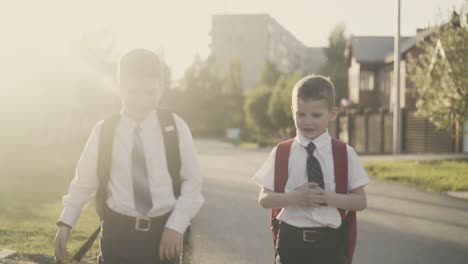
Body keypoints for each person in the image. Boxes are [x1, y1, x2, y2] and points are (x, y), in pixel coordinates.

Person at [54, 48, 204, 264]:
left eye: (150, 92)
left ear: (161, 88)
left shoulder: (174, 127)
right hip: (117, 235)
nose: (142, 100)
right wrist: (66, 224)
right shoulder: (105, 130)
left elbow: (193, 182)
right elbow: (84, 182)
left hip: (164, 234)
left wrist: (176, 226)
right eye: (134, 91)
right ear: (120, 87)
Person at [254, 75, 369, 264]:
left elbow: (360, 201)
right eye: (301, 114)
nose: (307, 122)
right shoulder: (281, 152)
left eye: (316, 115)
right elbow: (264, 199)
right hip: (291, 242)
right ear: (293, 112)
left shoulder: (344, 153)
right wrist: (295, 198)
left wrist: (326, 198)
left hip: (332, 244)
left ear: (332, 114)